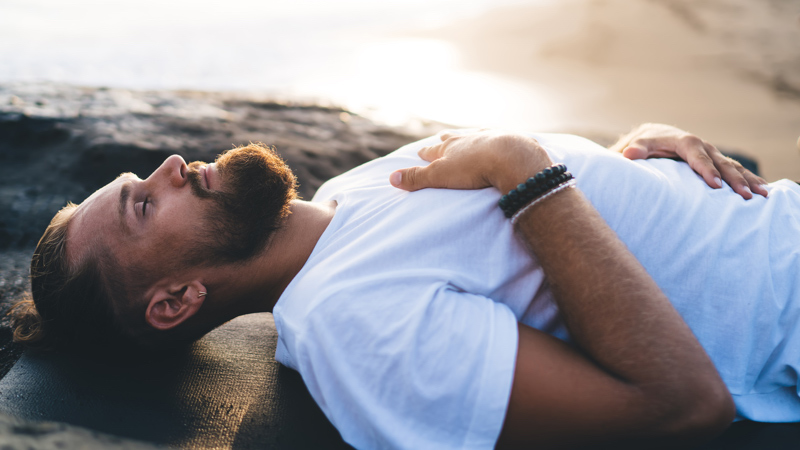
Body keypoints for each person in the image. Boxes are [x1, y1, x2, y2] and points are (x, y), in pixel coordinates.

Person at [10, 122, 796, 448]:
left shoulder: (354, 189)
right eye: (145, 204)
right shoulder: (355, 325)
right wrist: (524, 168)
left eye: (140, 178)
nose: (171, 165)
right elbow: (678, 403)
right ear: (176, 300)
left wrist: (633, 151)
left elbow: (565, 224)